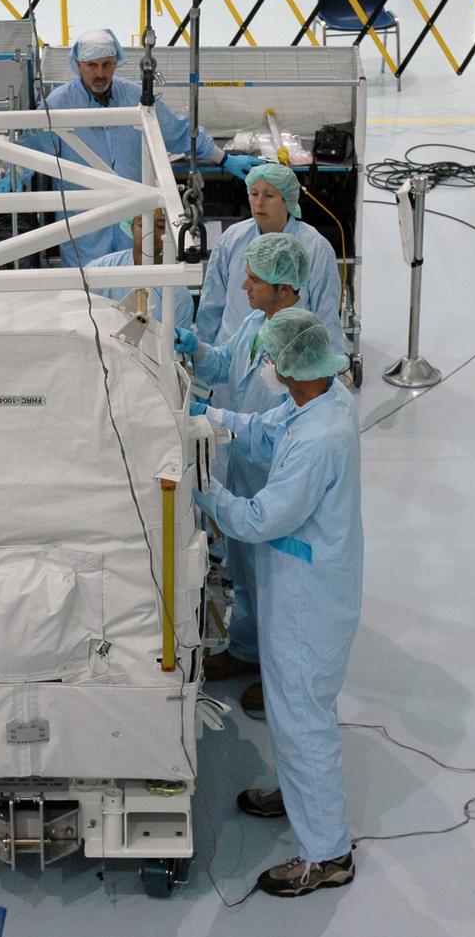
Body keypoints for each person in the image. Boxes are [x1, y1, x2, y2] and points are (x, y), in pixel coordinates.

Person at [192, 307, 362, 898]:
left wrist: (202, 488)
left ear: (291, 365)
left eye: (270, 360)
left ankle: (327, 853)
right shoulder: (322, 399)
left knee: (301, 721)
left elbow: (260, 518)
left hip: (306, 603)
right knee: (294, 719)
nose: (265, 368)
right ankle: (298, 800)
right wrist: (207, 418)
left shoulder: (322, 438)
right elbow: (267, 428)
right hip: (300, 584)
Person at [176, 233, 307, 717]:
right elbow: (228, 362)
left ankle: (277, 680)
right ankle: (247, 649)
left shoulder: (299, 343)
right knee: (244, 571)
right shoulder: (257, 321)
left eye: (256, 279)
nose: (245, 285)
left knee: (275, 584)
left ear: (285, 288)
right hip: (247, 463)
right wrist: (197, 347)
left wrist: (213, 416)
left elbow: (282, 423)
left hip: (276, 473)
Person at [0, 28, 262, 267]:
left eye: (106, 65)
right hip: (84, 223)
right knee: (88, 294)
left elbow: (178, 133)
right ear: (78, 65)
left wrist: (225, 159)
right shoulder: (57, 104)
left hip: (136, 219)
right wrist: (14, 174)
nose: (100, 73)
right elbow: (34, 148)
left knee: (138, 291)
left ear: (116, 63)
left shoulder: (137, 96)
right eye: (92, 65)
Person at [195, 163, 343, 354]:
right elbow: (212, 304)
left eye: (269, 195)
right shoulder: (232, 239)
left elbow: (326, 313)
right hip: (232, 355)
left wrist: (328, 368)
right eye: (254, 193)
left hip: (290, 358)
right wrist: (200, 353)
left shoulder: (315, 248)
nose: (259, 203)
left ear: (287, 199)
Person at [85, 209, 193, 329]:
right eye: (142, 225)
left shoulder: (178, 296)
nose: (150, 233)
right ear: (131, 228)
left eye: (160, 226)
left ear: (172, 233)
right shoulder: (99, 270)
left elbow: (175, 345)